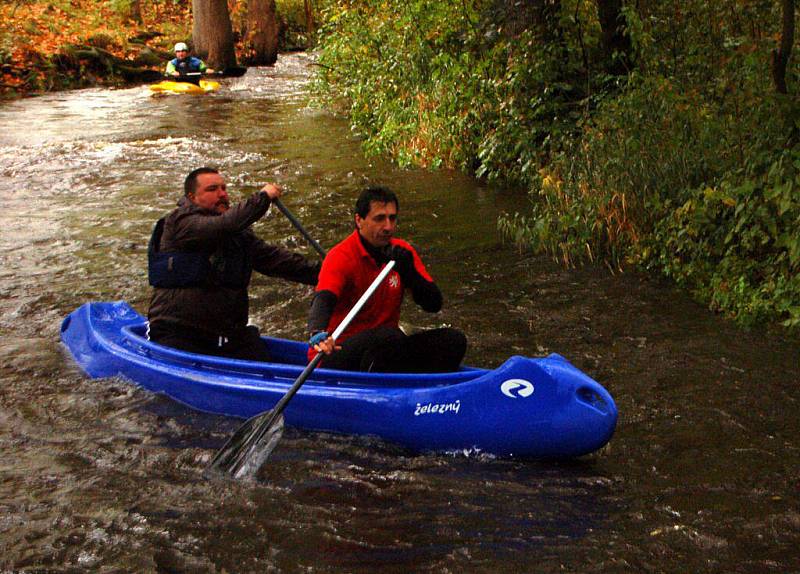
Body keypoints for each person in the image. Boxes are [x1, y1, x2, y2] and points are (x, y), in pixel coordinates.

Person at [147, 167, 320, 361]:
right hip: (180, 333)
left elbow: (276, 261)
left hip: (226, 335)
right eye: (212, 189)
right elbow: (224, 225)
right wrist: (262, 197)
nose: (222, 194)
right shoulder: (180, 223)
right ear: (192, 197)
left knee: (261, 356)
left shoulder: (237, 234)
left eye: (223, 188)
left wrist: (327, 273)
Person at [308, 186, 466, 372]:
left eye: (392, 218)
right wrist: (318, 333)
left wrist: (410, 273)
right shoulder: (340, 256)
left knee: (453, 341)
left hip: (386, 349)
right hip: (337, 353)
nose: (388, 227)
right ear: (359, 220)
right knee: (389, 336)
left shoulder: (401, 253)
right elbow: (323, 299)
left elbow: (433, 304)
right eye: (379, 219)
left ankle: (423, 387)